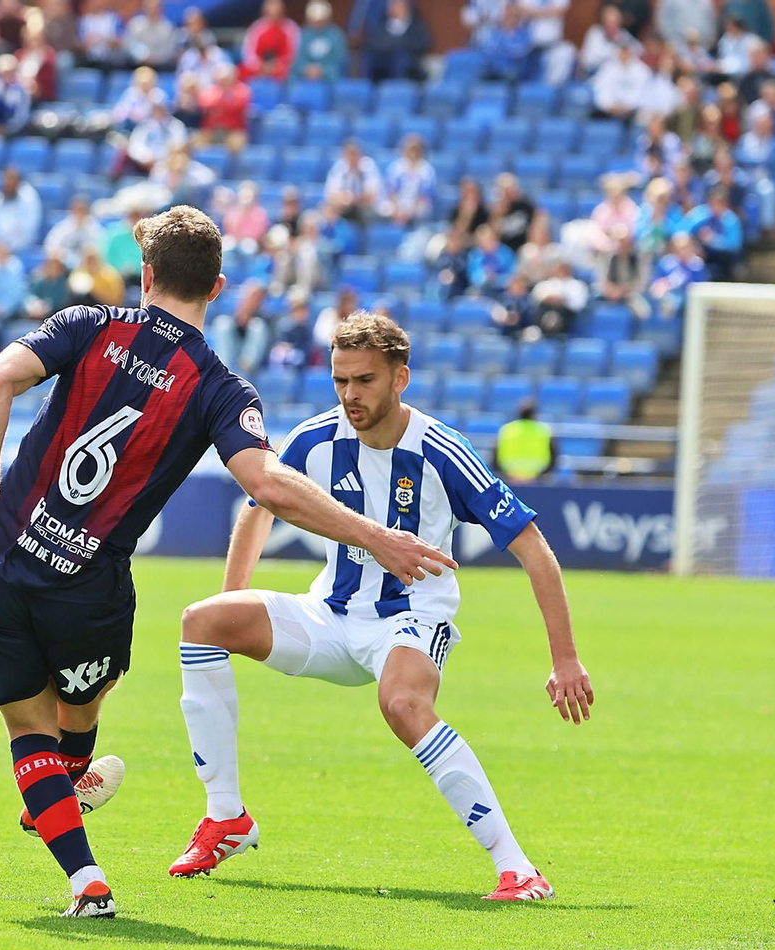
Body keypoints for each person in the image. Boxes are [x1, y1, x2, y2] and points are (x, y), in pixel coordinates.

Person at [0, 208, 453, 918]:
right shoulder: (219, 388)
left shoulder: (87, 324)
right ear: (216, 288)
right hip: (91, 593)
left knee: (30, 730)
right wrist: (376, 536)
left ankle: (85, 874)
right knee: (79, 707)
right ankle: (62, 786)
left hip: (2, 564)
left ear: (145, 274)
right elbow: (268, 485)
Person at [168, 310, 590, 901]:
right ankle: (226, 817)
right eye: (340, 380)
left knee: (403, 704)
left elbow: (533, 548)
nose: (350, 395)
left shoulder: (443, 451)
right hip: (328, 616)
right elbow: (259, 509)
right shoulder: (315, 438)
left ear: (400, 378)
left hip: (410, 619)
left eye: (364, 380)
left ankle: (516, 868)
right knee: (201, 621)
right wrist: (234, 595)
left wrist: (565, 658)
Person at [209, 278, 273, 370]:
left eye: (257, 297)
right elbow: (235, 325)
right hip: (234, 347)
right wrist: (243, 315)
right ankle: (223, 367)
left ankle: (246, 366)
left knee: (257, 326)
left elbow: (270, 337)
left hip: (254, 357)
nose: (253, 300)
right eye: (252, 296)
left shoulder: (267, 316)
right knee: (222, 323)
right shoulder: (236, 309)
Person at [362, 0, 429, 83]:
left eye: (399, 7)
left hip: (407, 62)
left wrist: (397, 45)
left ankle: (397, 88)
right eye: (393, 7)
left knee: (400, 58)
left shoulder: (415, 26)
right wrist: (392, 46)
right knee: (368, 56)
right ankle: (367, 85)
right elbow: (374, 42)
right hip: (384, 58)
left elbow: (422, 43)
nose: (395, 9)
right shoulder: (382, 26)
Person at [0, 166, 42, 254]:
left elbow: (30, 227)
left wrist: (8, 246)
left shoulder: (28, 197)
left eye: (12, 180)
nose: (8, 183)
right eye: (6, 180)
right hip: (0, 241)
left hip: (22, 242)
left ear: (18, 182)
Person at [496, 400, 558, 483]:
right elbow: (554, 454)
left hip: (510, 475)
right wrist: (544, 474)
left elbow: (496, 453)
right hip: (537, 476)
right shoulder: (544, 430)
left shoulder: (506, 429)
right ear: (534, 415)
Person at [323, 140, 383, 221]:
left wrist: (354, 199)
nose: (352, 158)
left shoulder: (369, 166)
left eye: (354, 154)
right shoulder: (339, 167)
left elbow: (371, 196)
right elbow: (331, 195)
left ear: (360, 155)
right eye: (349, 154)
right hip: (344, 207)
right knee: (327, 210)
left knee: (367, 214)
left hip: (365, 208)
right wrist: (346, 198)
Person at [241, 0, 300, 80]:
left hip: (283, 70)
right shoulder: (256, 28)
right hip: (259, 69)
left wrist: (279, 65)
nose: (274, 11)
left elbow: (294, 52)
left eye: (277, 8)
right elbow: (248, 53)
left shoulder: (291, 27)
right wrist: (261, 66)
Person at [297, 2, 348, 82]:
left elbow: (341, 61)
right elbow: (296, 61)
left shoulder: (336, 35)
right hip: (304, 81)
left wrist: (324, 71)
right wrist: (306, 69)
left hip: (331, 81)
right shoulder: (303, 34)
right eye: (314, 20)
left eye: (320, 20)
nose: (317, 23)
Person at [125, 0, 178, 69]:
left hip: (161, 65)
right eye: (150, 8)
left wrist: (154, 58)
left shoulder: (168, 28)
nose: (152, 11)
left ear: (161, 9)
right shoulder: (135, 24)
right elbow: (130, 44)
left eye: (155, 8)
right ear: (145, 8)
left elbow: (168, 50)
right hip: (137, 64)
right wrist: (143, 55)